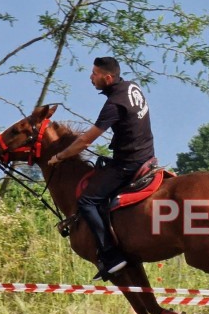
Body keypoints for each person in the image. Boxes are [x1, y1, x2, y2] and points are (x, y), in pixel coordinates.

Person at [48, 56, 155, 280]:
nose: (91, 78)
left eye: (95, 74)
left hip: (129, 162)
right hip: (146, 154)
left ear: (108, 77)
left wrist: (60, 156)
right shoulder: (131, 87)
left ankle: (111, 255)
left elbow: (86, 141)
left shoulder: (114, 103)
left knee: (87, 201)